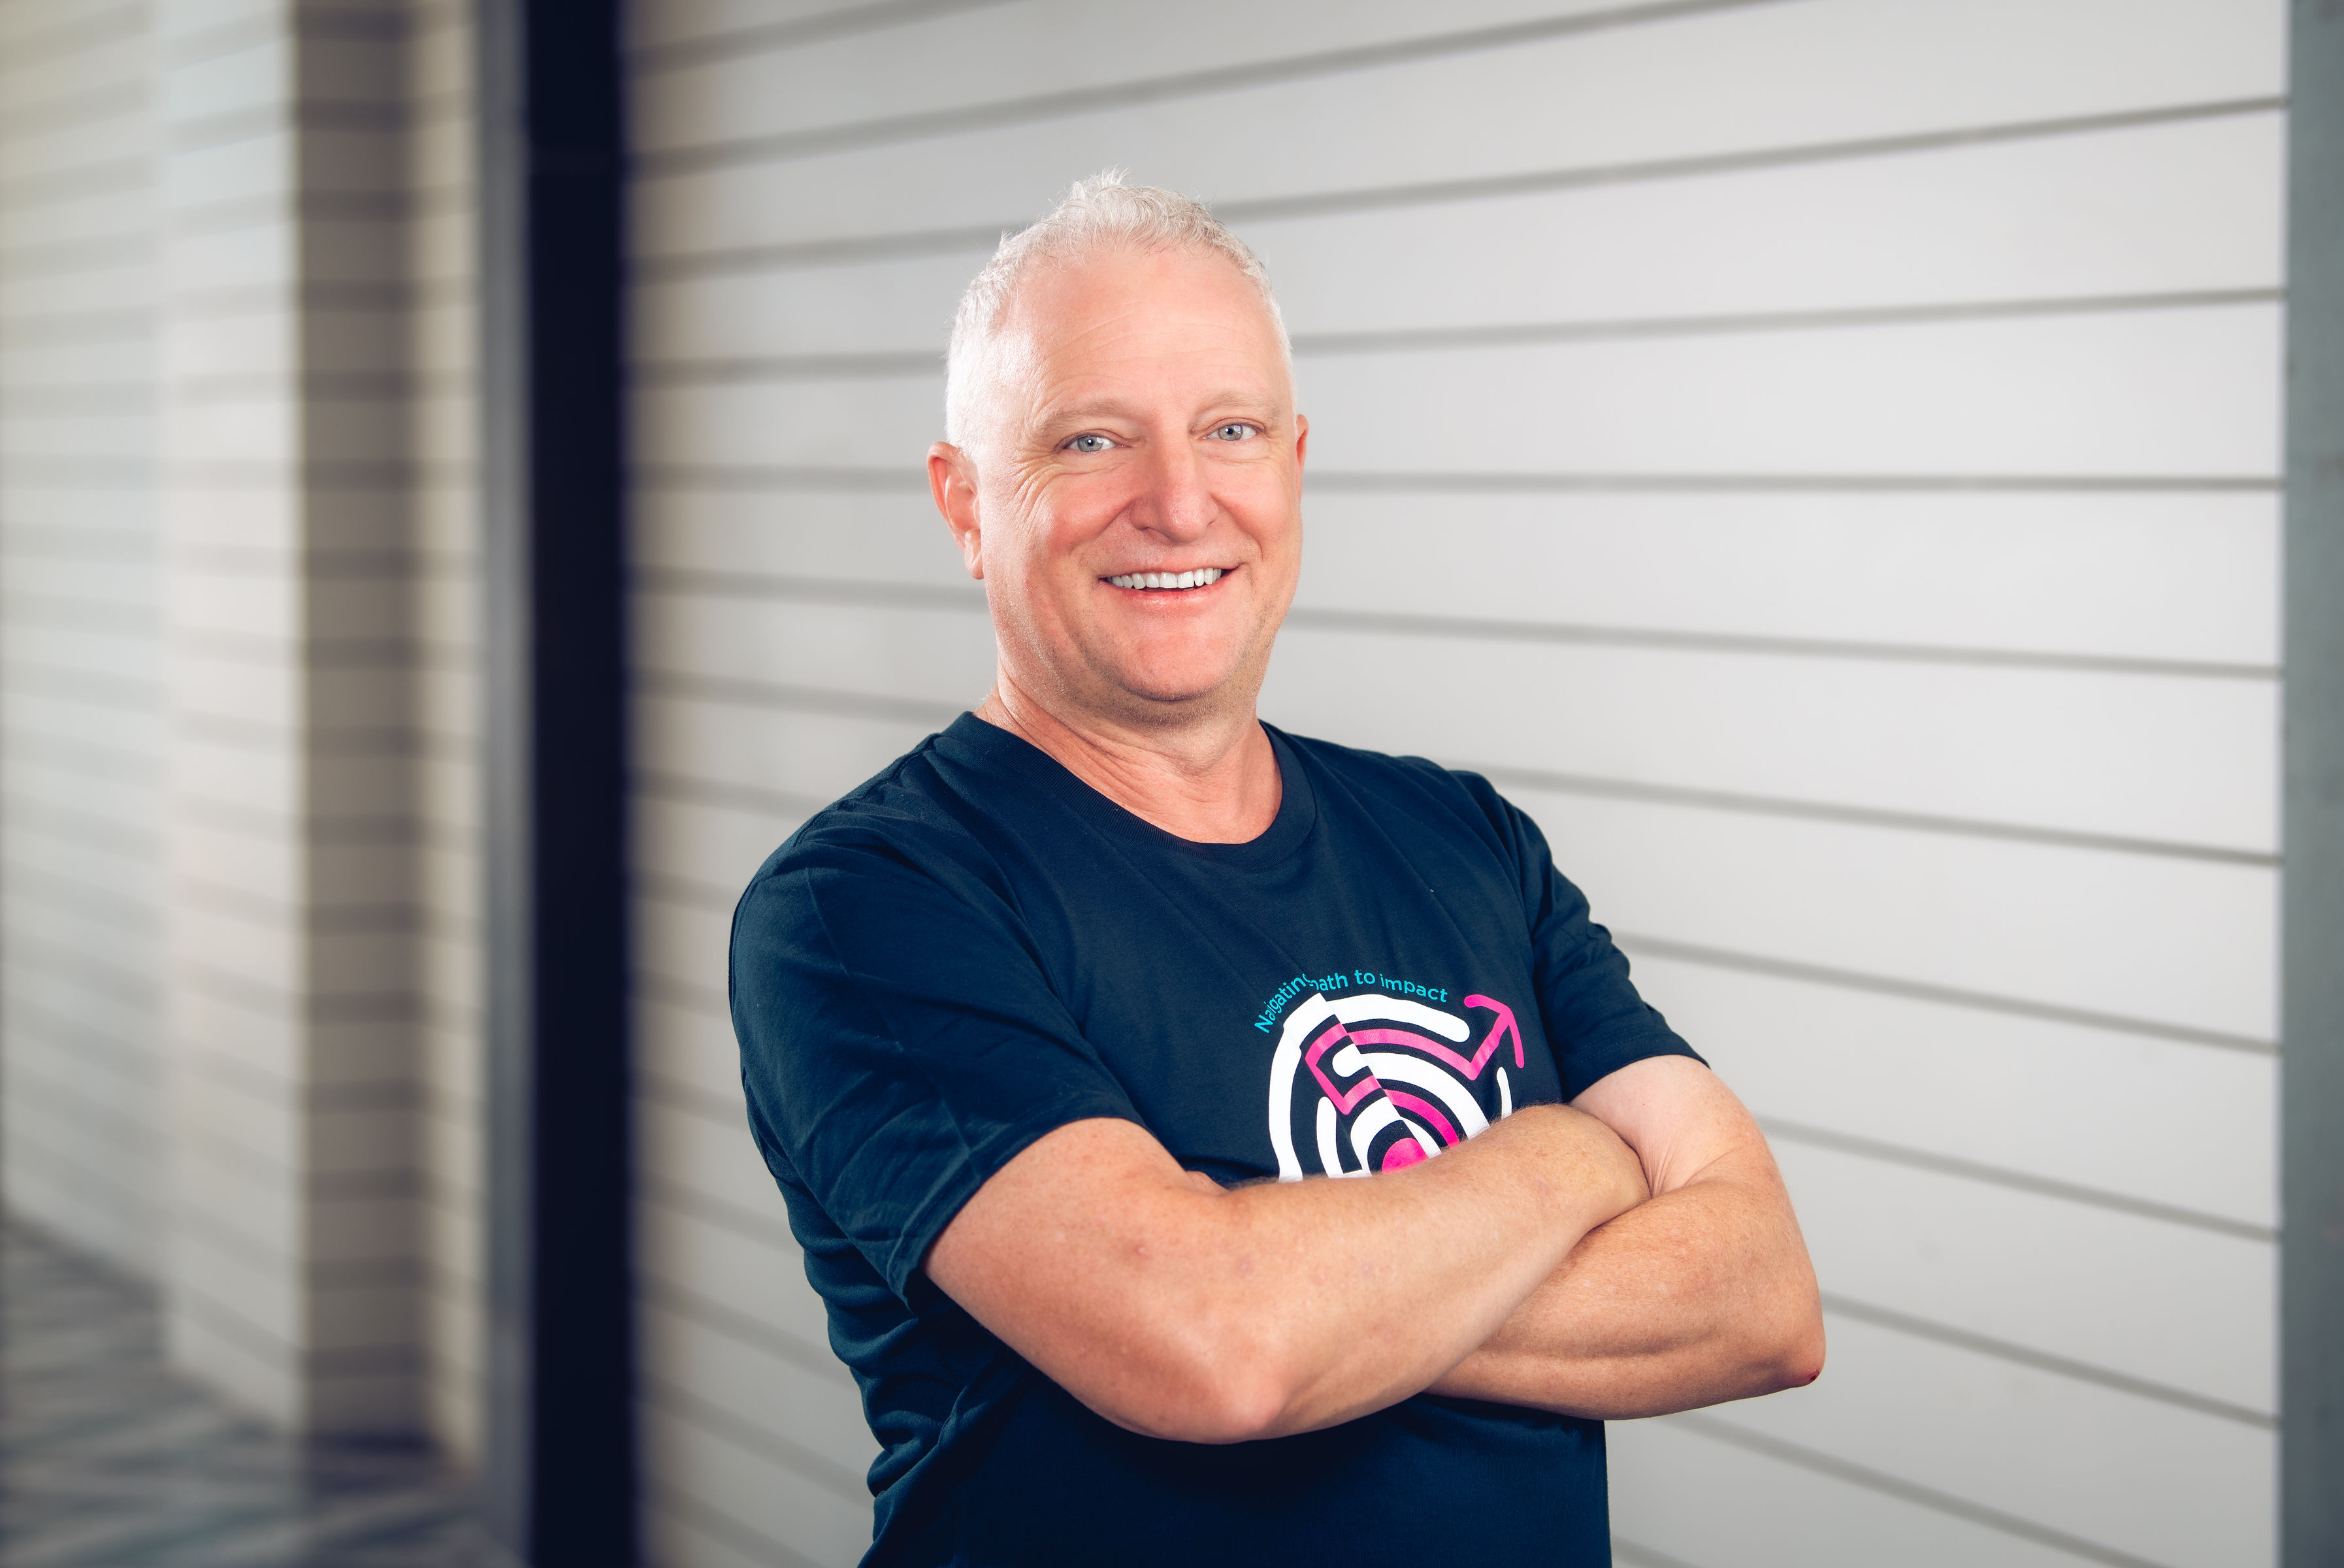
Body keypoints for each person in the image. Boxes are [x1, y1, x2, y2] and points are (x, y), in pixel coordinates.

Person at [730, 174, 1824, 1567]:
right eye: (1090, 440)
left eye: (1229, 431)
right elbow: (1219, 1348)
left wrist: (1304, 1281)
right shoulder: (872, 904)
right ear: (964, 504)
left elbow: (1763, 1301)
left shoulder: (1463, 840)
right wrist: (1565, 1156)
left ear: (1294, 464)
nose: (1179, 504)